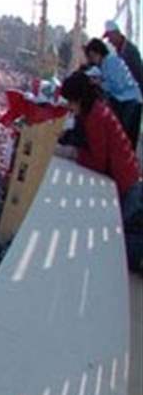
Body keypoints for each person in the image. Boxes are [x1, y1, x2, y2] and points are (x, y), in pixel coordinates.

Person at [56, 71, 143, 271]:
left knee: (126, 249)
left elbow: (98, 162)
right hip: (130, 179)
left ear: (79, 99)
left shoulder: (96, 116)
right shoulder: (96, 109)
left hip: (128, 187)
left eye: (70, 102)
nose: (69, 107)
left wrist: (71, 154)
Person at [84, 37, 142, 149]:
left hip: (130, 101)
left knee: (124, 137)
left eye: (93, 56)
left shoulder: (111, 61)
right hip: (126, 100)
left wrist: (100, 83)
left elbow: (118, 85)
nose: (92, 60)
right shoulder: (105, 64)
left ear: (99, 52)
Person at [105, 20, 143, 90]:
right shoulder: (118, 51)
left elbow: (139, 74)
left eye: (110, 37)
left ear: (116, 33)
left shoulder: (130, 51)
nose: (109, 40)